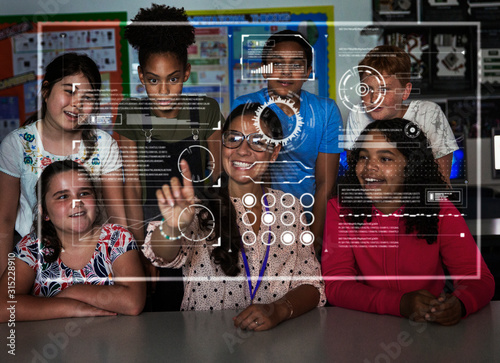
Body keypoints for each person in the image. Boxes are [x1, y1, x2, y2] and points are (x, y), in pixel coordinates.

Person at [142, 103, 325, 330]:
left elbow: (311, 284)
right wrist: (172, 227)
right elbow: (162, 255)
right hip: (207, 344)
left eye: (257, 141)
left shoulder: (290, 208)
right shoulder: (198, 206)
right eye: (234, 138)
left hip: (278, 344)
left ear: (274, 152)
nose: (243, 150)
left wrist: (277, 310)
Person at [322, 118, 494, 325]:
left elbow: (478, 278)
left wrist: (460, 303)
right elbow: (336, 285)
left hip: (427, 327)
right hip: (363, 325)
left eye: (385, 159)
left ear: (410, 167)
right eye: (363, 157)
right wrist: (399, 303)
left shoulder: (440, 209)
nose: (369, 167)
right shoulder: (340, 208)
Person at [114, 4, 224, 311]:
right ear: (141, 76)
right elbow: (133, 188)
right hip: (153, 231)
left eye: (173, 79)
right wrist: (139, 251)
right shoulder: (130, 113)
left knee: (206, 311)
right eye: (153, 80)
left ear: (186, 73)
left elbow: (216, 175)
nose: (163, 90)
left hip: (201, 226)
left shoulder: (206, 109)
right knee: (161, 314)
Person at [0, 53, 125, 274]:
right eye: (69, 91)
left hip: (95, 263)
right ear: (46, 91)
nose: (77, 104)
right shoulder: (17, 145)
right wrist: (6, 283)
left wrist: (127, 268)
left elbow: (117, 218)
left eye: (88, 97)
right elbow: (5, 221)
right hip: (34, 263)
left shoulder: (104, 145)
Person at [232, 30, 343, 251]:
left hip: (309, 219)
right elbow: (245, 175)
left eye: (296, 64)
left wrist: (311, 242)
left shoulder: (326, 111)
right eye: (277, 63)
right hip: (255, 222)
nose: (286, 72)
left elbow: (325, 184)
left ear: (308, 71)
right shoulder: (245, 106)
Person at [0, 160, 145, 322]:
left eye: (84, 193)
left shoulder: (117, 238)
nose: (76, 202)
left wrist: (74, 292)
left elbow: (133, 302)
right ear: (44, 212)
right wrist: (70, 307)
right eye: (63, 196)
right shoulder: (30, 248)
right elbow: (2, 307)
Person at [344, 45, 458, 182]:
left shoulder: (428, 114)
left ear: (405, 91)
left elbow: (442, 181)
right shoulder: (358, 114)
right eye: (366, 89)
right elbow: (356, 175)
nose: (374, 99)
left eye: (384, 89)